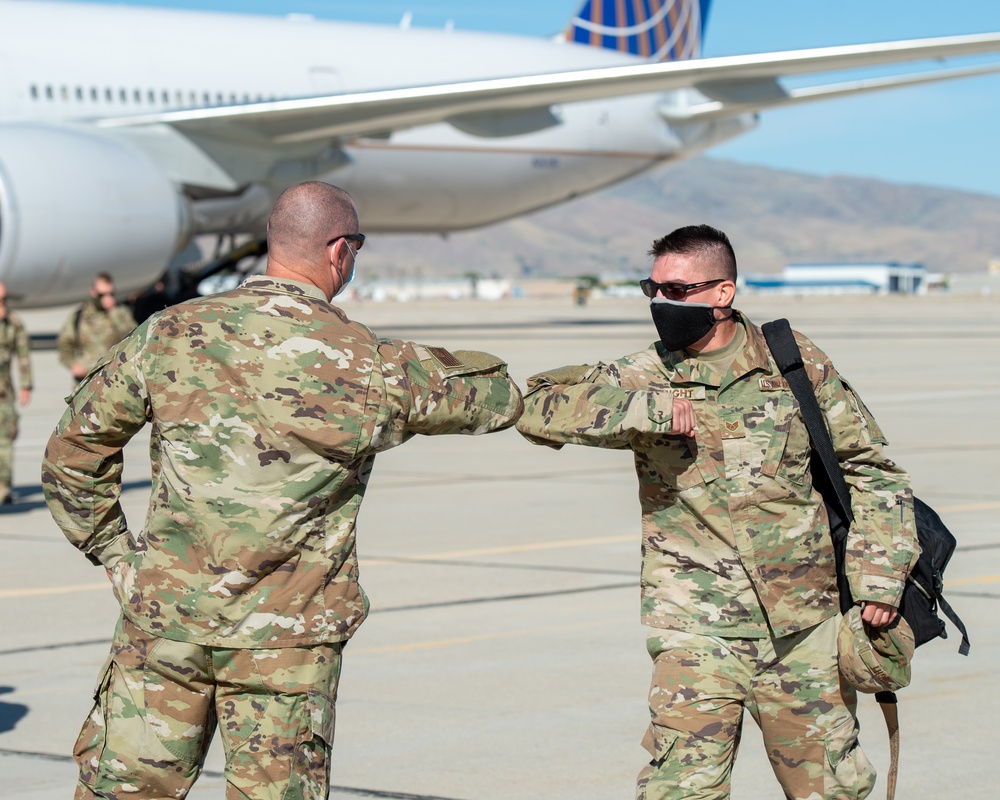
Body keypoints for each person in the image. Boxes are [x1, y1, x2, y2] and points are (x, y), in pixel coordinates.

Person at [42, 181, 524, 800]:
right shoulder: (365, 360)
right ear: (339, 252)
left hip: (166, 623)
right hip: (287, 644)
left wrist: (116, 554)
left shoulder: (168, 333)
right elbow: (498, 397)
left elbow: (71, 454)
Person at [515, 224, 918, 800]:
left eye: (676, 291)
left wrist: (879, 578)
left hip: (803, 628)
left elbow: (871, 471)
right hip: (695, 629)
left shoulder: (793, 364)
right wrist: (643, 412)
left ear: (722, 292)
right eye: (650, 287)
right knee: (679, 791)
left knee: (830, 790)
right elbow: (534, 409)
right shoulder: (644, 374)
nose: (660, 303)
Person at [56, 272, 136, 382]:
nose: (107, 298)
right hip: (85, 380)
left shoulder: (121, 314)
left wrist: (114, 313)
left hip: (114, 380)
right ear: (93, 292)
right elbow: (64, 345)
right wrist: (73, 364)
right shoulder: (79, 316)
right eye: (102, 295)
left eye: (111, 294)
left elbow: (133, 339)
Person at [0, 282, 32, 505]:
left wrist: (25, 385)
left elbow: (22, 354)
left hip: (4, 393)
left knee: (6, 439)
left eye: (4, 300)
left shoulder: (13, 323)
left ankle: (3, 487)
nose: (3, 305)